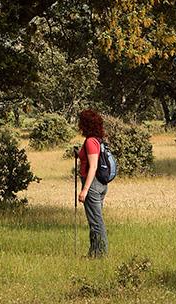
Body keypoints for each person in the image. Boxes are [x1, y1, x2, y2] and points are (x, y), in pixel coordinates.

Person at [76, 108, 108, 258]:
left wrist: (85, 190)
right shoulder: (97, 140)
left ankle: (101, 254)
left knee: (96, 222)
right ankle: (93, 253)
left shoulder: (90, 141)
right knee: (94, 220)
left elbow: (93, 166)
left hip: (93, 185)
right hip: (100, 184)